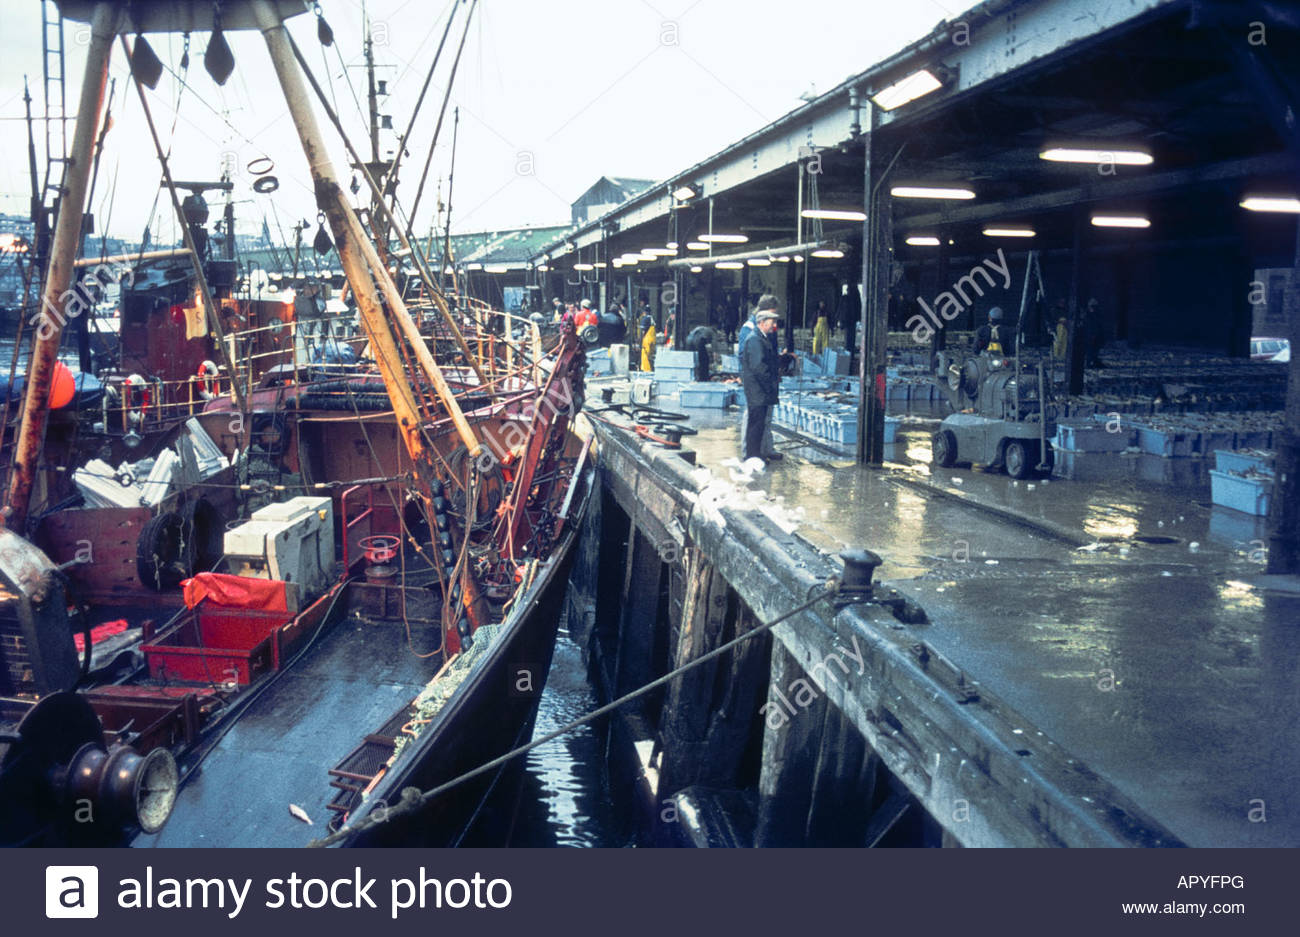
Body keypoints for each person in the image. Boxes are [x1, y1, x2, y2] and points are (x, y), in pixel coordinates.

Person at [737, 295, 782, 460]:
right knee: (754, 421)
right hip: (757, 387)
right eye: (772, 319)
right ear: (763, 318)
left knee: (762, 421)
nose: (775, 326)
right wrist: (768, 385)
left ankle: (761, 452)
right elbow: (754, 363)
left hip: (761, 387)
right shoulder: (751, 332)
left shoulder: (762, 334)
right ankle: (751, 455)